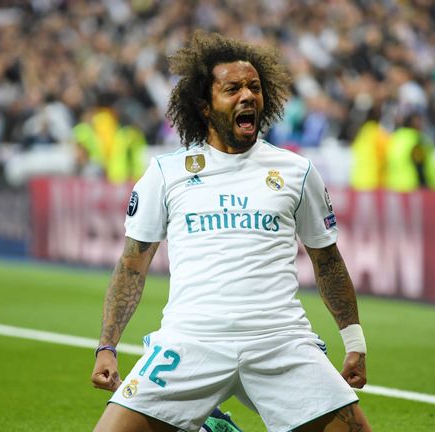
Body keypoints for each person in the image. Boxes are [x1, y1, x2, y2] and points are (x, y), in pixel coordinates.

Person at [90, 31, 371, 432]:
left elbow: (327, 260)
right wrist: (108, 346)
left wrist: (355, 341)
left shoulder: (296, 171)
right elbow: (132, 265)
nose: (248, 96)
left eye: (255, 88)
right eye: (233, 88)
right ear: (205, 106)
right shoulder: (166, 174)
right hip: (191, 339)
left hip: (279, 339)